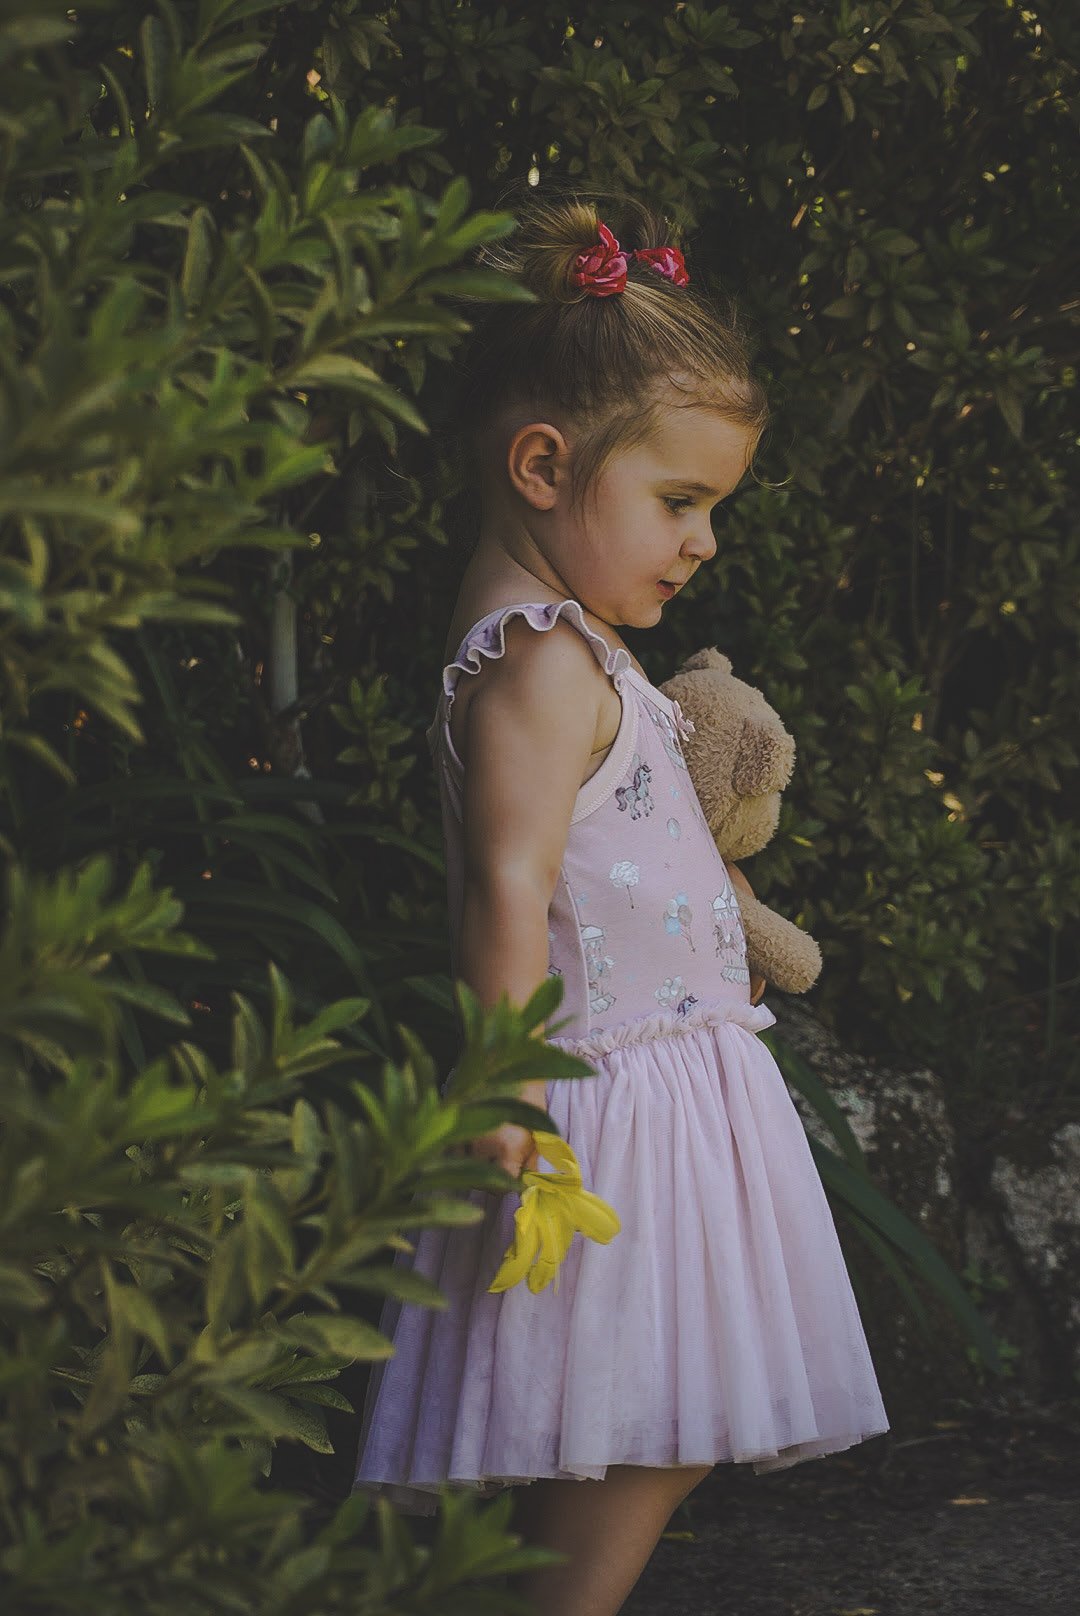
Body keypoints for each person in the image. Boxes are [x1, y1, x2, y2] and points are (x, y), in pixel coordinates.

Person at [352, 187, 890, 1616]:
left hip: (665, 1085)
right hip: (603, 1106)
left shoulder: (575, 645)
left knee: (649, 1427)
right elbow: (511, 880)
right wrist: (508, 1085)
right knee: (640, 1428)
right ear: (543, 465)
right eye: (679, 501)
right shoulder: (537, 661)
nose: (703, 540)